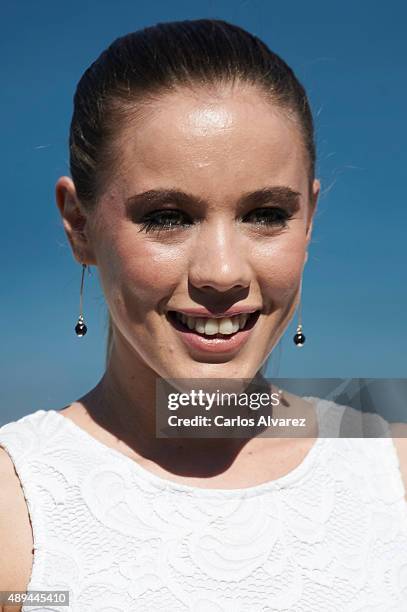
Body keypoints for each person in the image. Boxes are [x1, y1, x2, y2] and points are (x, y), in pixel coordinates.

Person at [1, 18, 406, 612]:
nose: (222, 272)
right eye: (167, 216)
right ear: (79, 226)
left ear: (311, 220)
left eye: (266, 213)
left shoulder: (391, 470)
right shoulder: (19, 508)